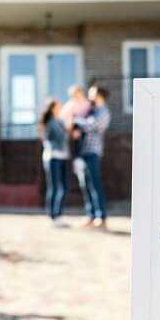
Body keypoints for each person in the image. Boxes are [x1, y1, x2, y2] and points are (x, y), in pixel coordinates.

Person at [76, 85, 111, 228]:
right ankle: (91, 215)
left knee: (95, 184)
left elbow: (89, 126)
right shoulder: (93, 111)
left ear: (99, 96)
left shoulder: (103, 112)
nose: (89, 97)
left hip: (93, 152)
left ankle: (101, 216)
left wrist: (76, 119)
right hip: (85, 151)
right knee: (86, 184)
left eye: (91, 94)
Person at [39, 99, 69, 226]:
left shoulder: (60, 121)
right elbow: (58, 137)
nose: (60, 108)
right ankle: (53, 216)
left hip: (63, 156)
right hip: (52, 157)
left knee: (64, 187)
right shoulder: (50, 122)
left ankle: (59, 215)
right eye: (58, 106)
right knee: (55, 187)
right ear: (52, 108)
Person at [59, 84, 91, 159]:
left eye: (77, 93)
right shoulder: (70, 104)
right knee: (77, 149)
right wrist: (71, 129)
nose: (76, 95)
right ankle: (78, 160)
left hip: (86, 128)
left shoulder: (87, 103)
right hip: (75, 128)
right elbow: (63, 117)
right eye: (74, 94)